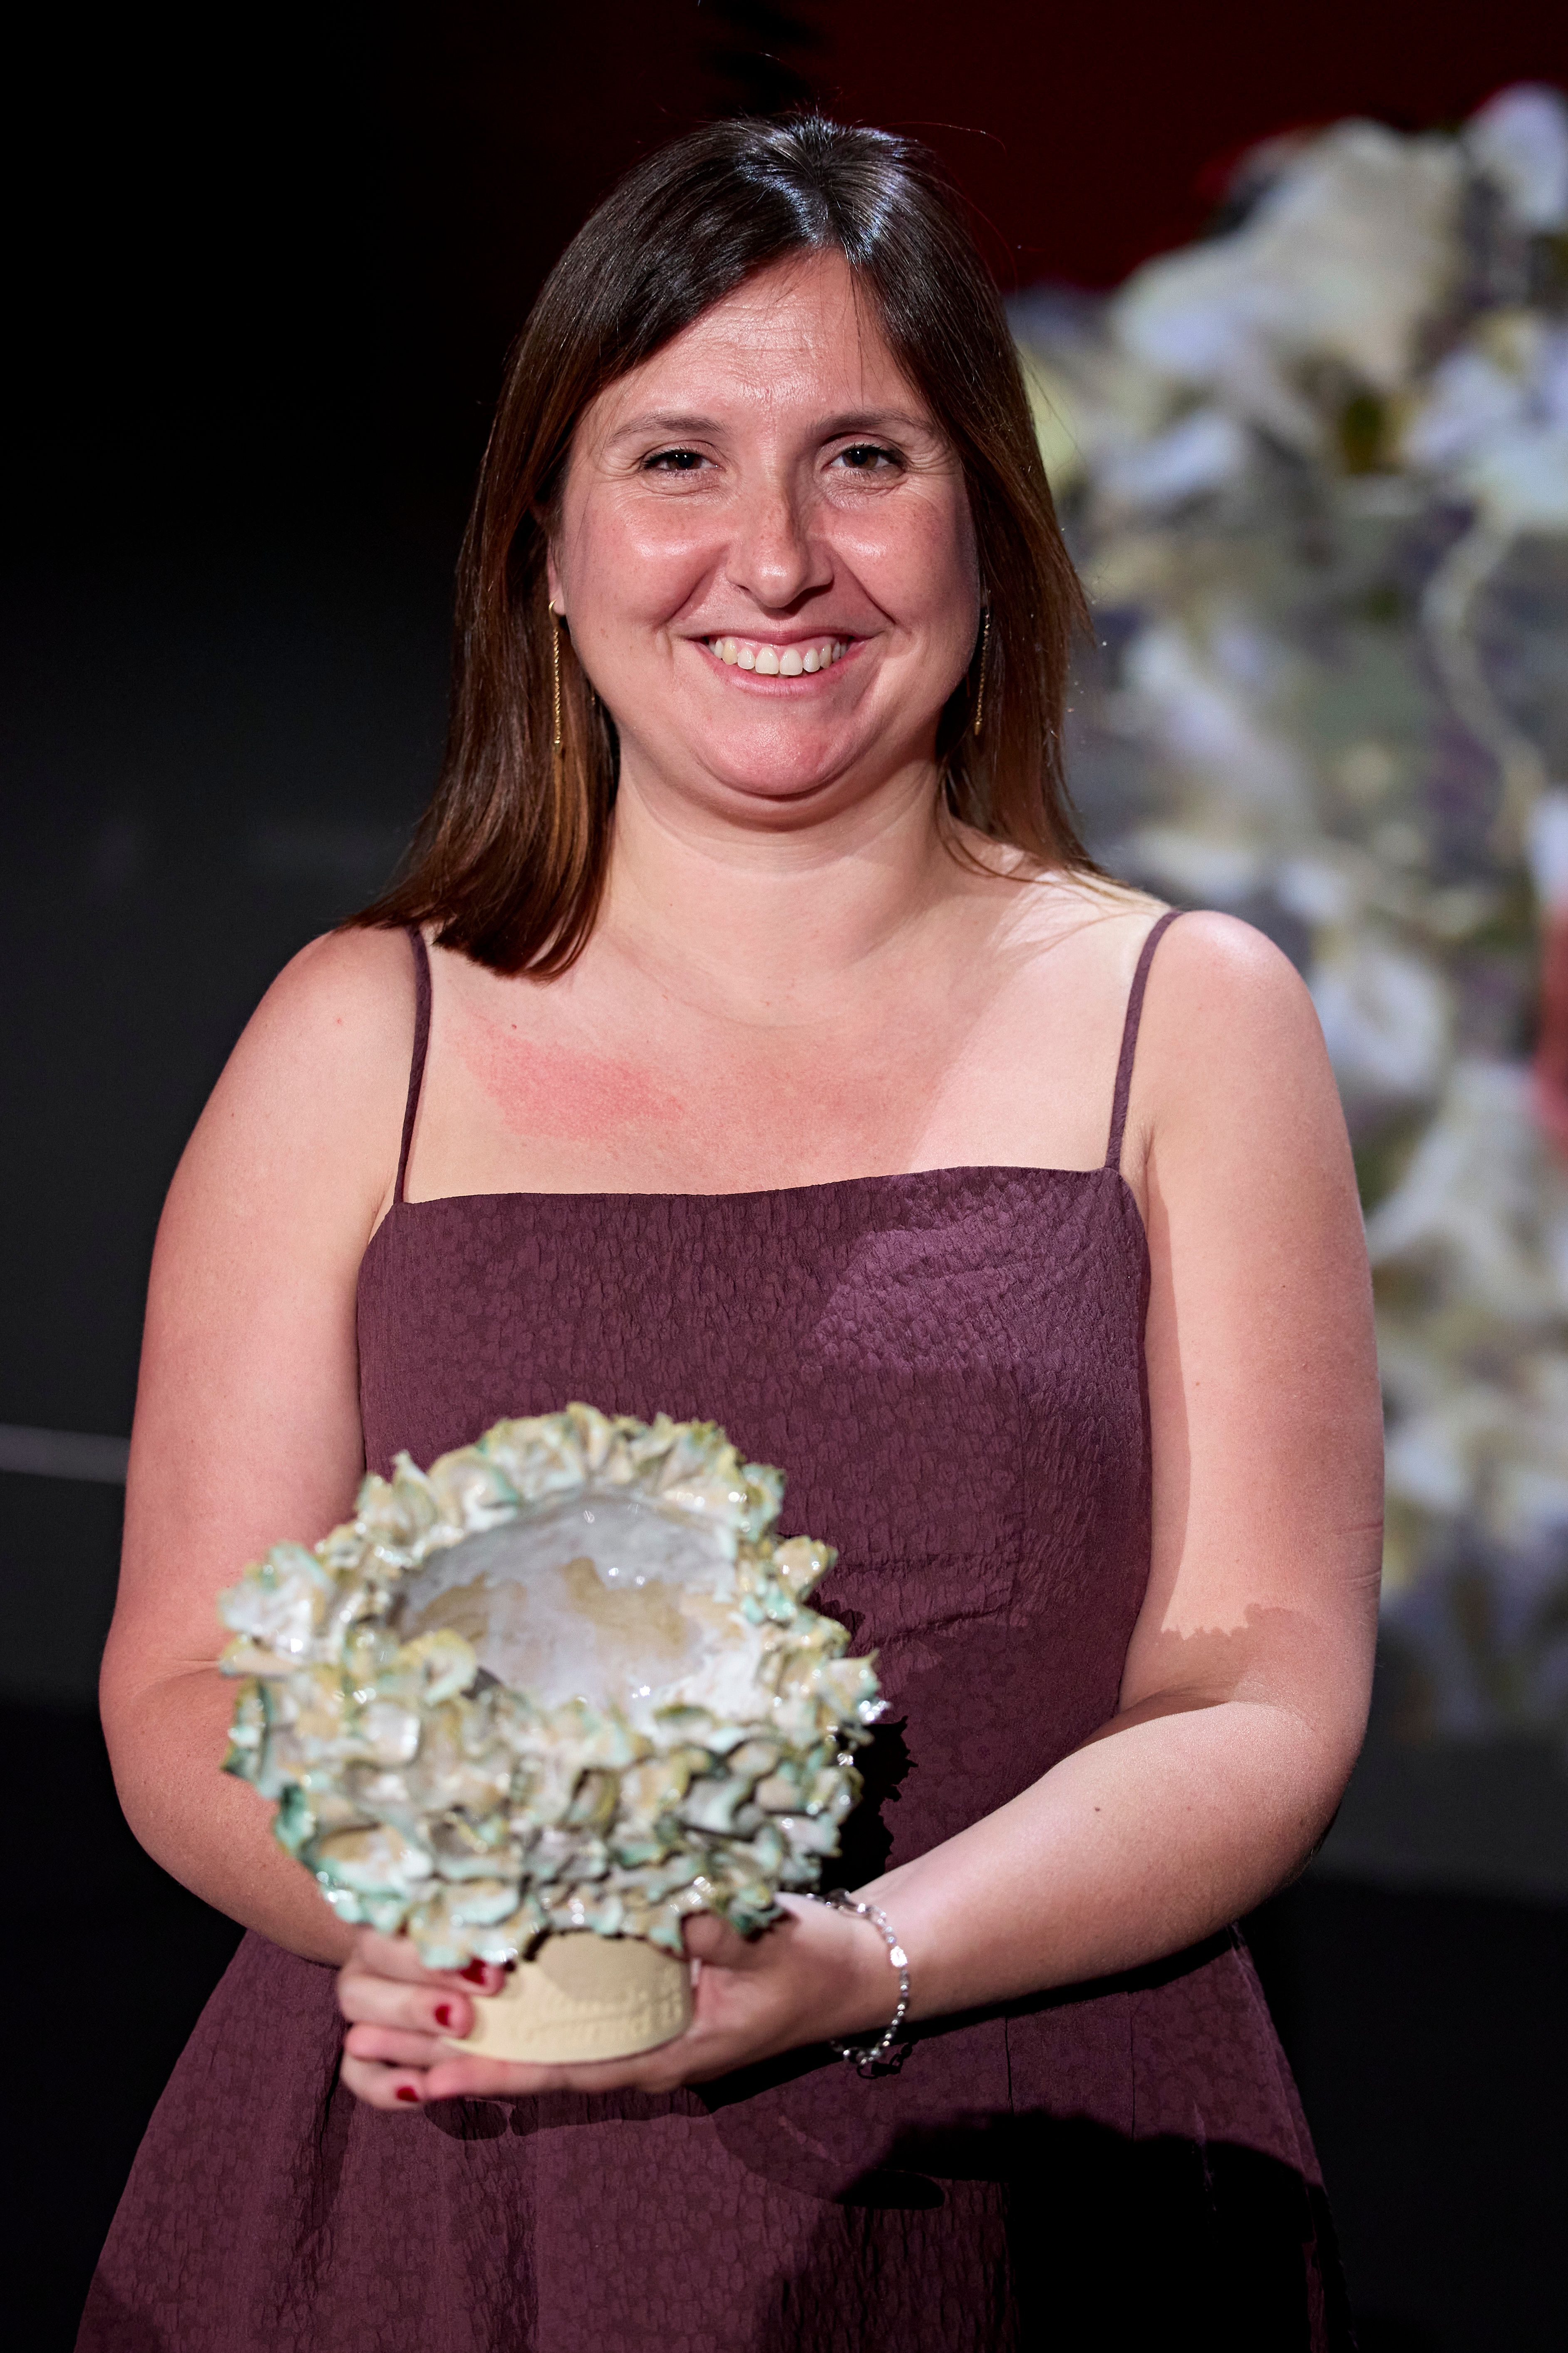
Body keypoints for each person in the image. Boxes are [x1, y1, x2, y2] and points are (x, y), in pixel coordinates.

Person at [83, 114, 1382, 2352]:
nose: (771, 559)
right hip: (436, 2197)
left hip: (1018, 2178)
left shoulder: (1186, 1016)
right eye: (676, 458)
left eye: (861, 457)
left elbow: (1254, 1682)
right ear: (550, 553)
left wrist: (854, 1967)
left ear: (984, 520)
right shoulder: (354, 1028)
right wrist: (422, 1922)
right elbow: (187, 1678)